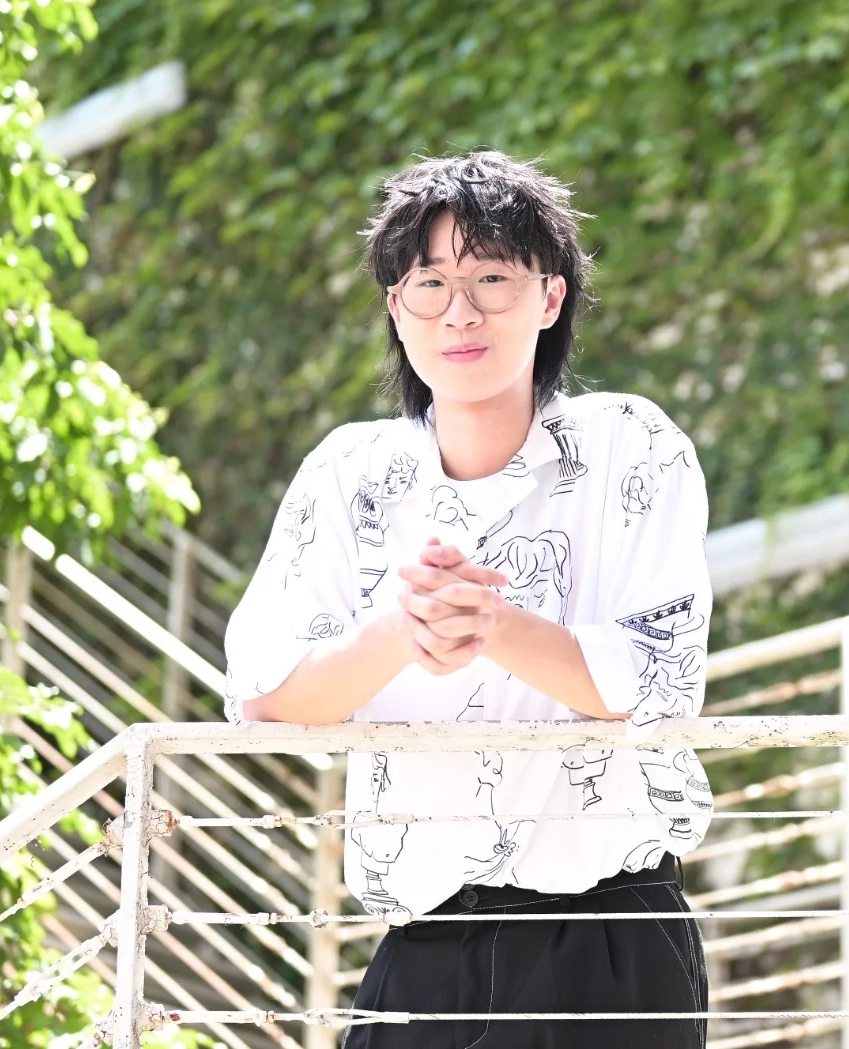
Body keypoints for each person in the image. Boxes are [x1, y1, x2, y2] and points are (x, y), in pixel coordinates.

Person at [222, 150, 713, 1048]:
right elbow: (264, 694)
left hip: (609, 933)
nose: (459, 311)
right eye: (429, 282)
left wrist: (493, 624)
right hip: (423, 941)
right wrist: (400, 631)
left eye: (491, 278)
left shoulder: (632, 447)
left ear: (550, 297)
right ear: (395, 306)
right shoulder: (350, 473)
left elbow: (661, 680)